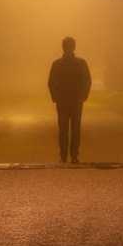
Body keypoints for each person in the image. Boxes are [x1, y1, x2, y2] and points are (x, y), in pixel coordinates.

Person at [47, 36, 92, 164]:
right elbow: (87, 80)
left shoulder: (57, 64)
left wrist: (55, 97)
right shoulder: (81, 63)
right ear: (74, 47)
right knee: (75, 129)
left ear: (63, 47)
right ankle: (74, 155)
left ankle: (63, 156)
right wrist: (84, 96)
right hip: (76, 101)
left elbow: (51, 82)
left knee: (63, 129)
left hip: (63, 101)